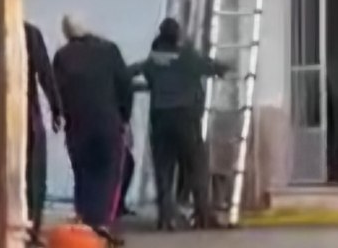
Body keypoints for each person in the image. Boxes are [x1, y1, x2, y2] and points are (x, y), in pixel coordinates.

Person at [131, 18, 229, 230]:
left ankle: (166, 218)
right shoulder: (188, 57)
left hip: (160, 121)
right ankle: (203, 214)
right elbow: (212, 67)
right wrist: (226, 66)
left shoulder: (154, 59)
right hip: (186, 119)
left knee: (163, 169)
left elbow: (133, 71)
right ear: (177, 36)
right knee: (196, 166)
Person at [52, 15, 134, 245]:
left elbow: (57, 89)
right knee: (109, 175)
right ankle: (102, 226)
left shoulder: (62, 57)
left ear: (67, 34)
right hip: (108, 124)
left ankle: (84, 225)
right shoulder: (109, 50)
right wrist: (124, 117)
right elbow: (125, 86)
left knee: (83, 175)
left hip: (77, 126)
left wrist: (60, 115)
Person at [25, 22, 63, 247]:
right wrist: (56, 108)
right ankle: (31, 229)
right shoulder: (29, 33)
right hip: (26, 116)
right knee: (34, 175)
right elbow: (45, 74)